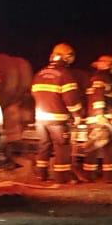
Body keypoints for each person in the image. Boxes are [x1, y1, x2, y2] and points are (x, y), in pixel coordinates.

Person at [31, 43, 84, 183]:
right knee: (62, 147)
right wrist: (77, 115)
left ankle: (41, 175)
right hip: (57, 120)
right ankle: (62, 177)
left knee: (44, 145)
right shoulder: (65, 75)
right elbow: (71, 99)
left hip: (40, 119)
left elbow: (34, 94)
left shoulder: (39, 74)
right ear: (67, 57)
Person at [81, 55, 112, 182]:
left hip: (93, 118)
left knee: (93, 149)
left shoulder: (93, 77)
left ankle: (89, 175)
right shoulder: (103, 77)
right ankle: (109, 177)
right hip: (101, 118)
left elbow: (105, 98)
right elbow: (98, 95)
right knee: (109, 148)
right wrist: (100, 114)